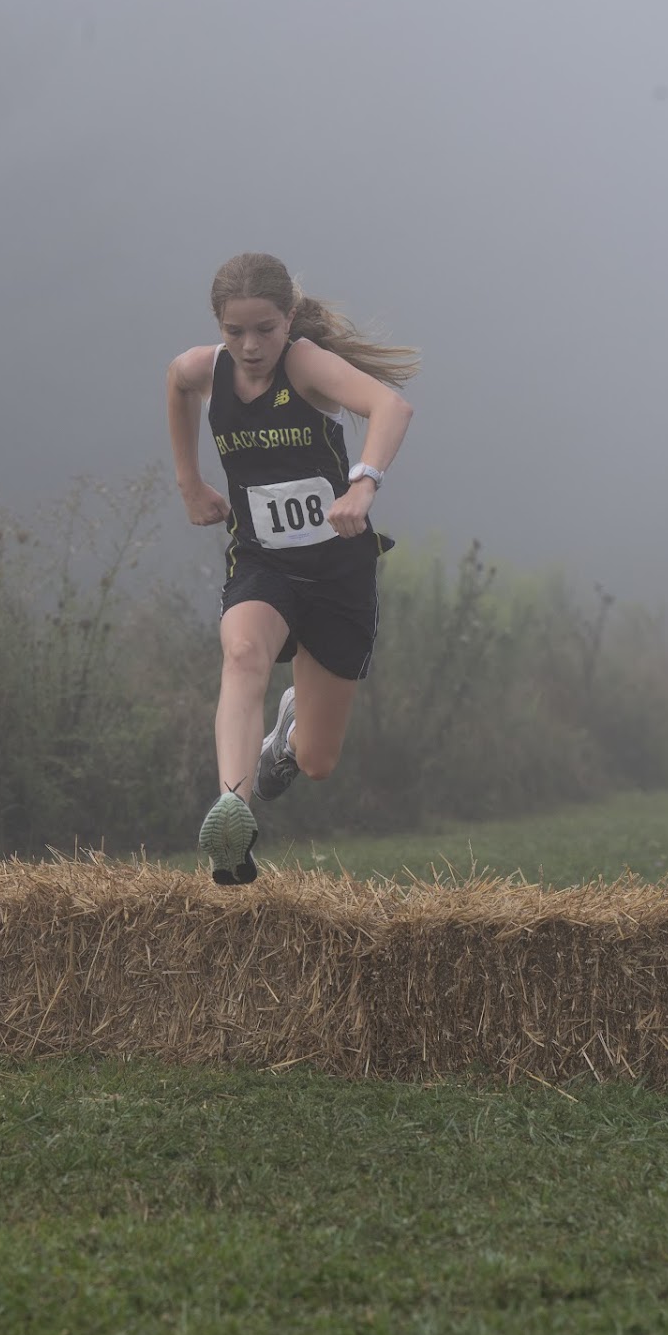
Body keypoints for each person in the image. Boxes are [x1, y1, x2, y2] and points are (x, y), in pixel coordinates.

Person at [166, 252, 417, 884]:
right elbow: (176, 382)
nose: (251, 347)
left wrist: (362, 486)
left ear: (290, 318)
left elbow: (391, 407)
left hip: (337, 572)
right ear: (218, 326)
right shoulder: (207, 369)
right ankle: (234, 817)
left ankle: (285, 734)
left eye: (265, 330)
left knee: (316, 761)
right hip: (262, 562)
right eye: (235, 331)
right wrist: (190, 483)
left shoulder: (304, 364)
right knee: (243, 654)